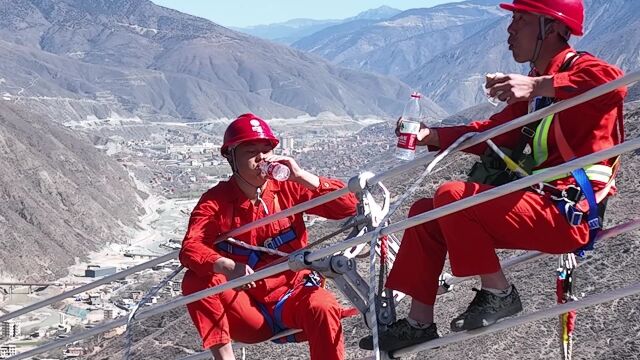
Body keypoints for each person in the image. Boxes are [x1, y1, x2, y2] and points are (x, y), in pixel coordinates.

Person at [360, 0, 627, 352]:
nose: (509, 29)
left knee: (452, 196)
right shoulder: (538, 90)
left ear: (551, 27)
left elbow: (614, 83)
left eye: (520, 19)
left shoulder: (574, 74)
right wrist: (433, 136)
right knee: (425, 213)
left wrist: (540, 86)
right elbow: (497, 131)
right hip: (541, 204)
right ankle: (418, 323)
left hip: (570, 212)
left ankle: (499, 292)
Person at [180, 113, 358, 360]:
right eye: (251, 151)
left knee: (324, 306)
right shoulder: (217, 201)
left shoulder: (288, 187)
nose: (261, 157)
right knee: (195, 281)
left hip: (293, 295)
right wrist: (228, 267)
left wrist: (301, 176)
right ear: (232, 158)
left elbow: (348, 206)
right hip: (251, 311)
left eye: (266, 149)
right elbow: (191, 247)